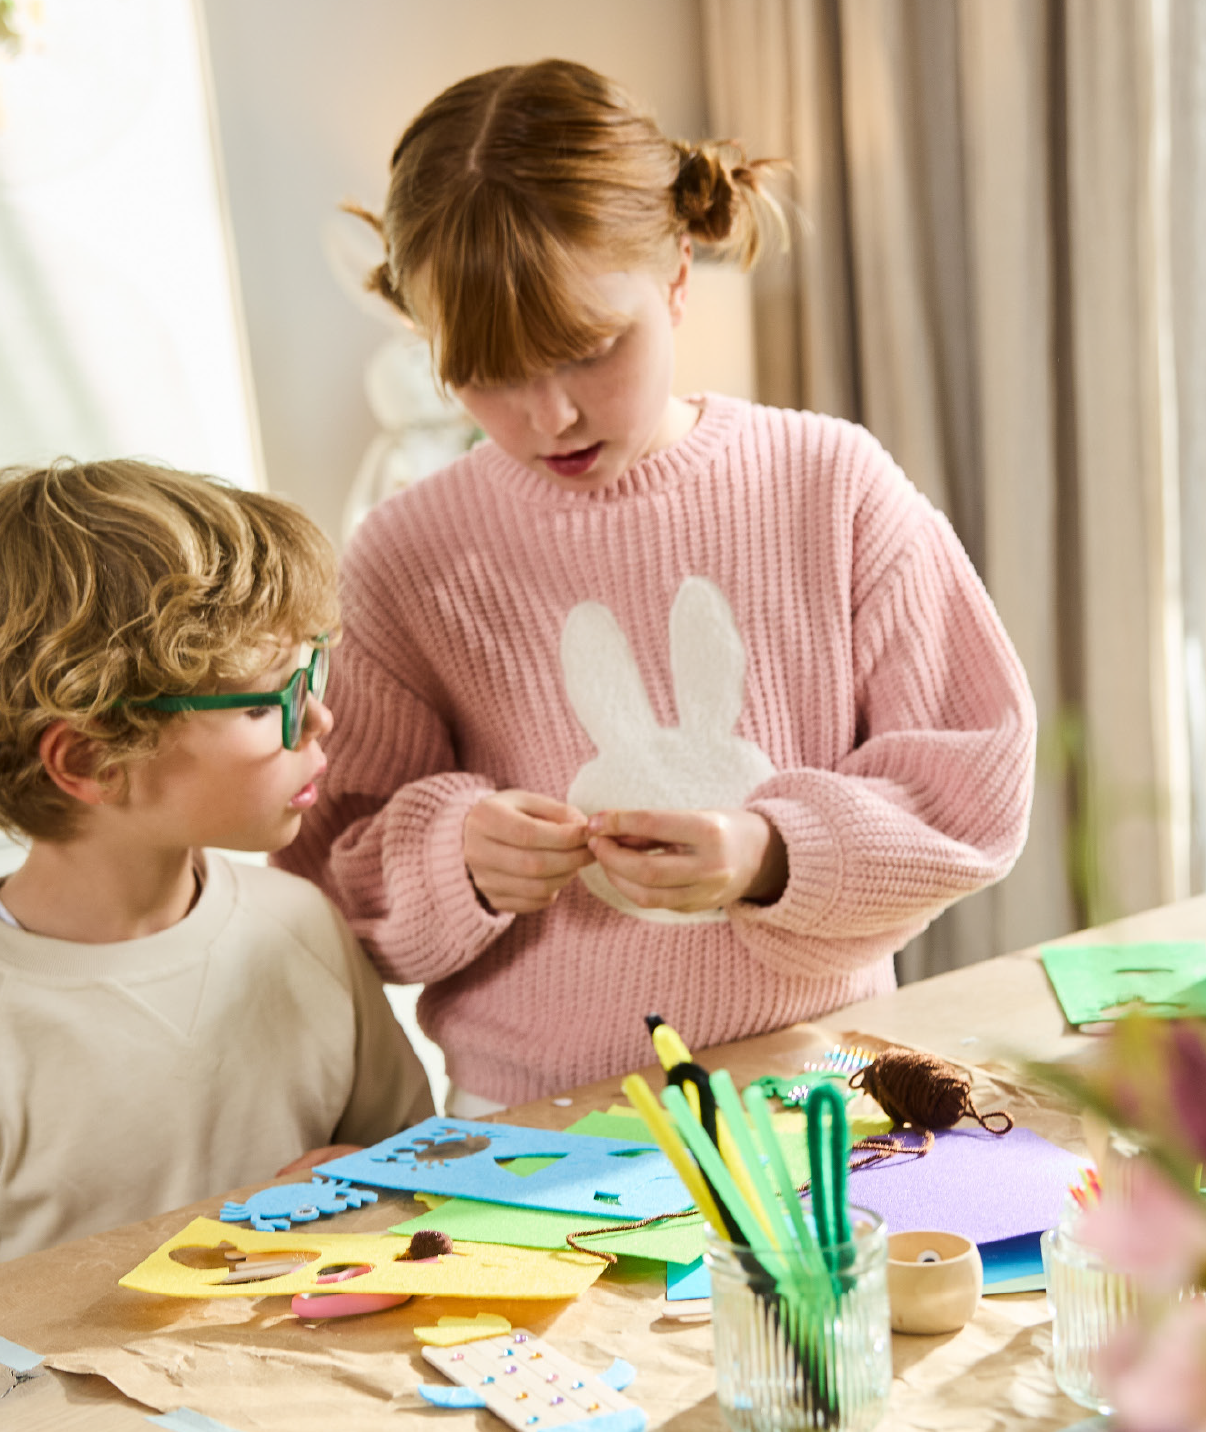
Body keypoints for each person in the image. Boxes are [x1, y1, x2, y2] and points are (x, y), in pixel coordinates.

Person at [277, 60, 1036, 1113]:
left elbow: (973, 791)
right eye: (486, 373)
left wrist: (774, 853)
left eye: (591, 349)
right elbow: (317, 880)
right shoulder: (409, 556)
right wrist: (457, 861)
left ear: (679, 271)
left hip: (823, 1087)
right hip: (537, 1134)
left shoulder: (831, 483)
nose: (551, 416)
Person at [0, 459, 433, 1274]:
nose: (320, 717)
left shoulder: (301, 926)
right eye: (266, 702)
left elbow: (429, 1182)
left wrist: (367, 1201)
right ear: (90, 758)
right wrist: (222, 1243)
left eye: (313, 671)